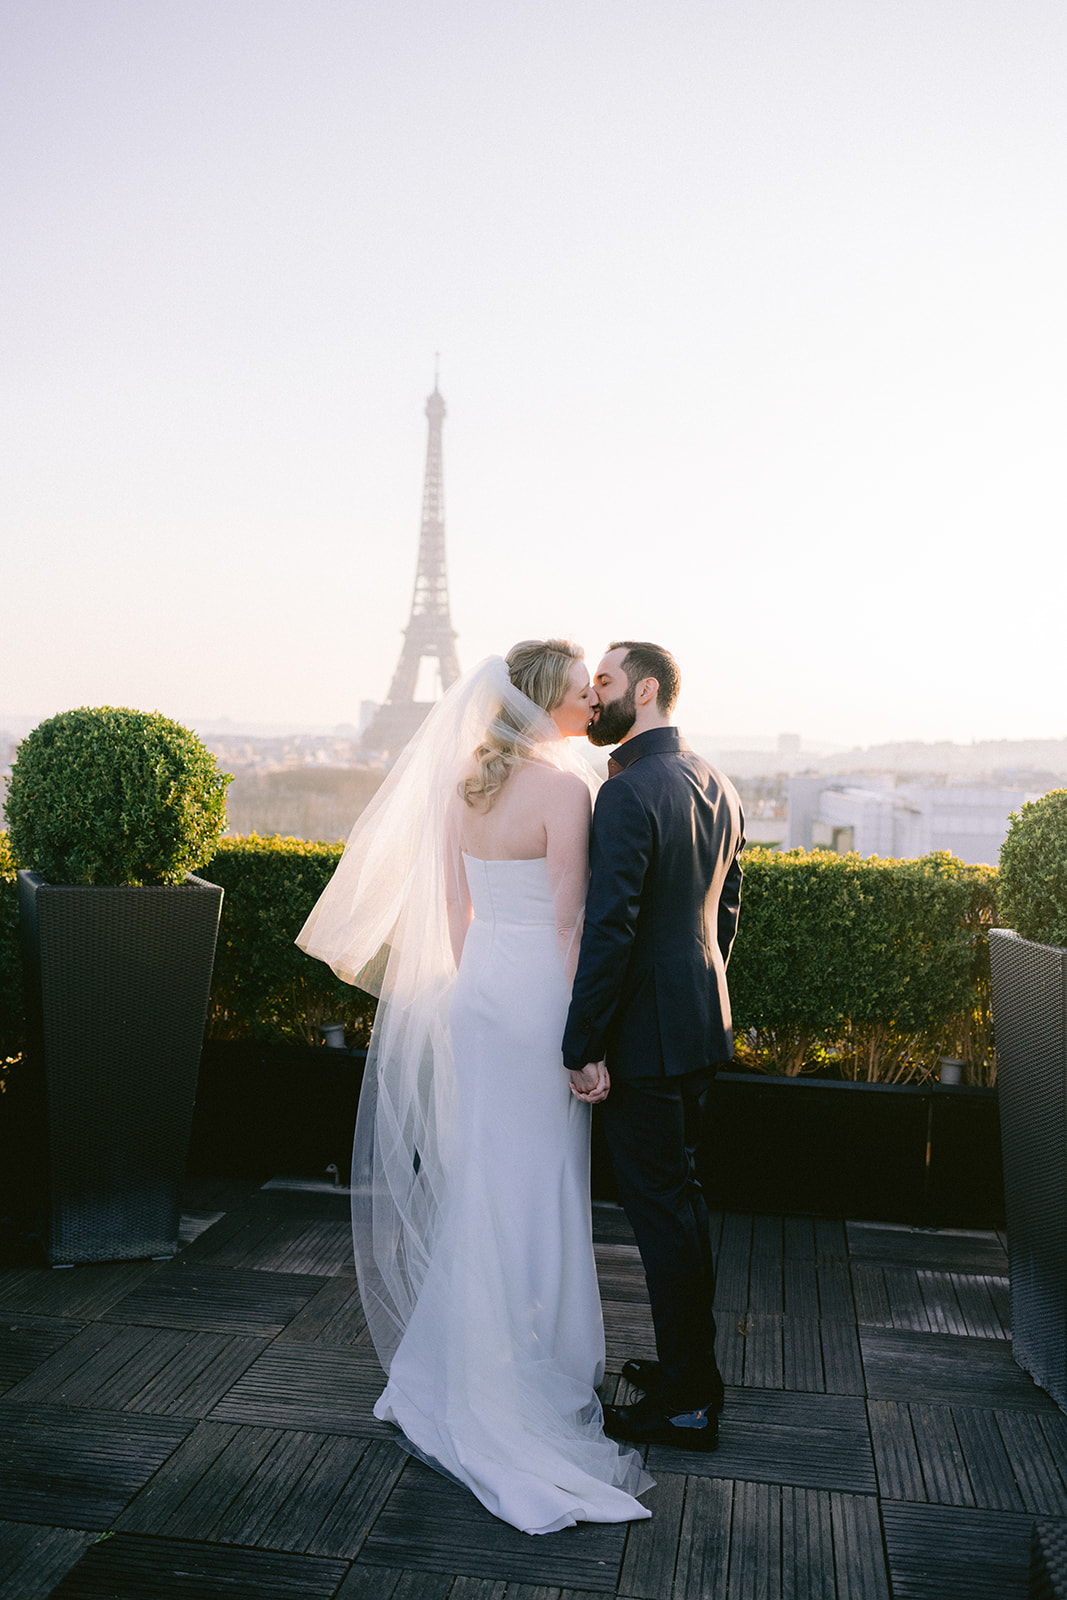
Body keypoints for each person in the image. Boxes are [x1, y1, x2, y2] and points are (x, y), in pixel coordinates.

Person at [296, 641, 652, 1536]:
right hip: (539, 998)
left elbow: (455, 913)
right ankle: (537, 1362)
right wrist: (586, 1041)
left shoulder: (467, 782)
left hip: (481, 993)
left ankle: (465, 1356)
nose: (588, 703)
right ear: (543, 704)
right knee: (540, 1179)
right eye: (578, 692)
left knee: (489, 1175)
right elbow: (571, 921)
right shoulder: (567, 790)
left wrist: (477, 990)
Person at [562, 641, 744, 1452]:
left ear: (643, 688)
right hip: (699, 1022)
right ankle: (685, 1372)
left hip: (644, 1037)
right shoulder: (714, 779)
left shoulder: (629, 790)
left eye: (602, 682)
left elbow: (611, 928)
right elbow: (725, 910)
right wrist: (696, 999)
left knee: (661, 1217)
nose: (593, 698)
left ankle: (686, 1400)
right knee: (682, 1206)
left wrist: (581, 1041)